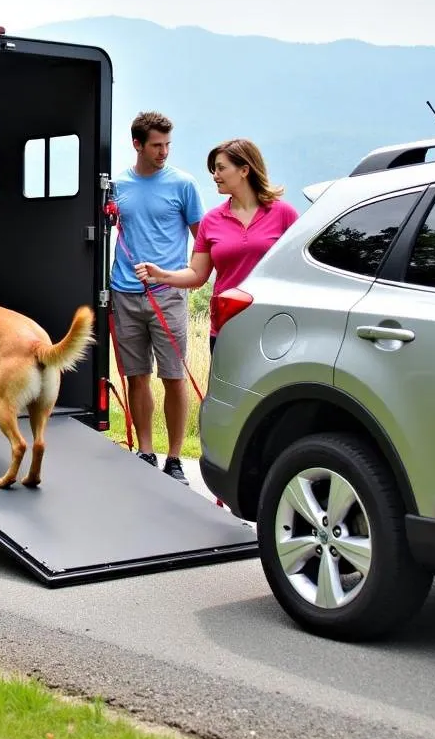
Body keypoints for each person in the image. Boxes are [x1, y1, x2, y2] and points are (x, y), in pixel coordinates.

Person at [134, 138, 299, 352]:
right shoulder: (211, 220)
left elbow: (299, 268)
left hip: (273, 324)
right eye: (214, 169)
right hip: (226, 326)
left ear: (244, 170)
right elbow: (197, 274)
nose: (215, 176)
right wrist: (161, 275)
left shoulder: (283, 214)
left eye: (221, 168)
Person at [110, 111, 205, 485]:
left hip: (168, 294)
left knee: (174, 378)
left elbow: (204, 240)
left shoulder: (184, 185)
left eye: (167, 145)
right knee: (137, 376)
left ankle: (176, 459)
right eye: (156, 145)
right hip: (124, 293)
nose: (164, 151)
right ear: (138, 144)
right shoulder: (118, 186)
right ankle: (146, 452)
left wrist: (188, 279)